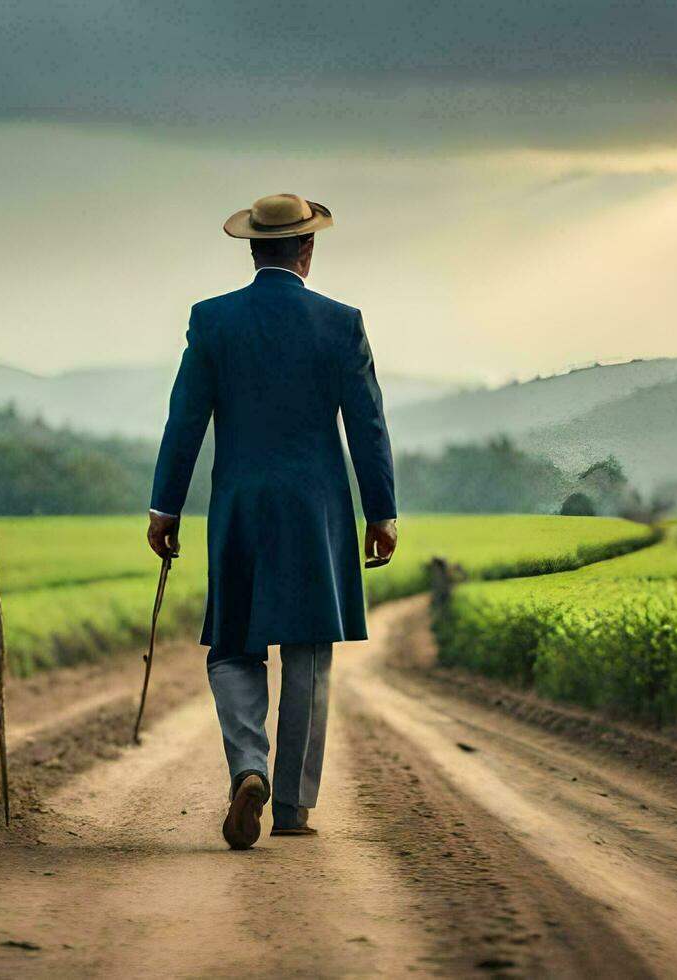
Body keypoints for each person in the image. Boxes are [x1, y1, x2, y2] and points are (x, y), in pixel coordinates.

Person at [147, 193, 398, 850]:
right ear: (307, 250)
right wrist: (382, 513)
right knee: (309, 653)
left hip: (238, 503)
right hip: (315, 507)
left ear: (253, 248)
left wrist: (164, 507)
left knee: (234, 646)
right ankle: (290, 805)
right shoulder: (341, 323)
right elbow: (367, 425)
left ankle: (248, 766)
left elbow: (185, 421)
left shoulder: (212, 321)